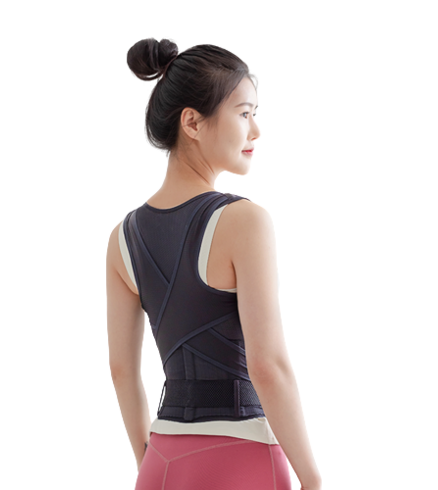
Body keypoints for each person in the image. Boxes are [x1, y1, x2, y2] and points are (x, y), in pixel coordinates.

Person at [106, 38, 322, 490]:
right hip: (240, 457)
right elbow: (268, 366)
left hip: (161, 461)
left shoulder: (122, 237)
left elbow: (122, 371)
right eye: (244, 113)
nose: (255, 131)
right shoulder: (245, 221)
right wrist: (312, 479)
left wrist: (151, 462)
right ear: (192, 122)